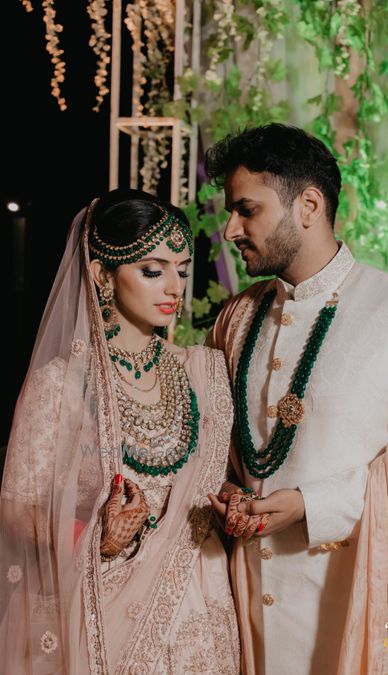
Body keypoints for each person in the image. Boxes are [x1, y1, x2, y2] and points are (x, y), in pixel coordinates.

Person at [205, 123, 388, 674]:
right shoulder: (237, 318)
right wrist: (221, 487)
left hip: (347, 609)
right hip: (240, 611)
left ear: (309, 204)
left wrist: (312, 506)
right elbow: (217, 441)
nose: (230, 229)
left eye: (247, 209)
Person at [0, 189, 240, 674]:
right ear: (101, 275)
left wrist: (232, 497)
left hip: (201, 604)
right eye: (153, 270)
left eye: (182, 270)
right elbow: (17, 509)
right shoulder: (62, 385)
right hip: (100, 608)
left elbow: (209, 480)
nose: (174, 287)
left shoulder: (203, 371)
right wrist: (98, 536)